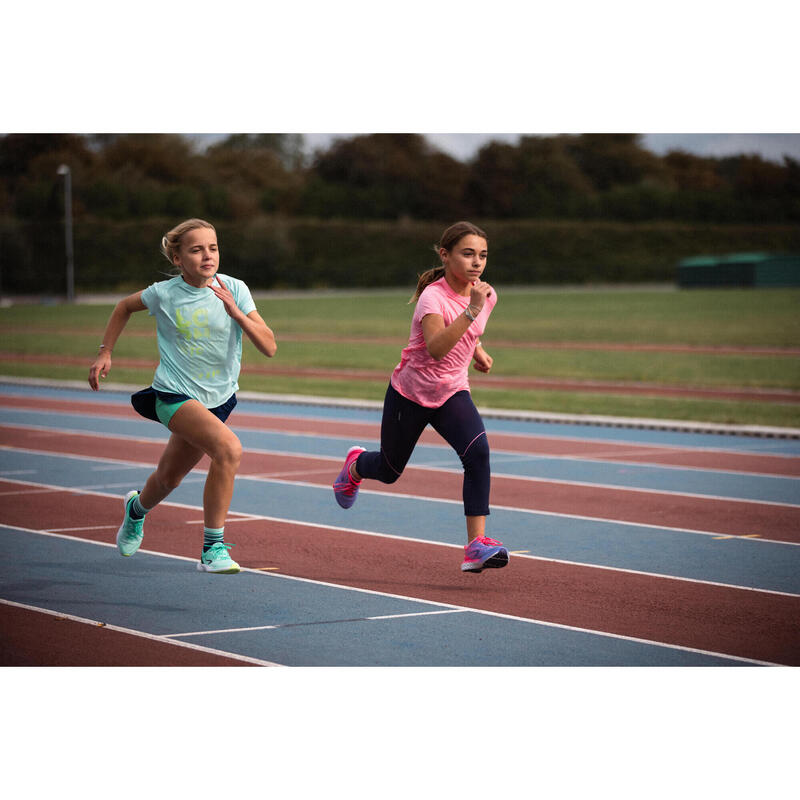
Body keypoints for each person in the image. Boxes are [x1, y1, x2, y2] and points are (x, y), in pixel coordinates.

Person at [88, 218, 277, 574]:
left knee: (167, 479)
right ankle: (212, 548)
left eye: (213, 247)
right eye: (196, 249)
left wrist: (236, 313)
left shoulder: (234, 288)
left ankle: (136, 510)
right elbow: (123, 307)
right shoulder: (163, 293)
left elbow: (268, 346)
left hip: (219, 400)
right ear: (177, 259)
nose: (207, 255)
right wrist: (105, 352)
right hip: (173, 394)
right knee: (229, 449)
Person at [332, 221, 508, 573]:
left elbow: (468, 334)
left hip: (452, 392)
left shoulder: (486, 295)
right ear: (445, 255)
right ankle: (355, 465)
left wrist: (478, 351)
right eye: (468, 254)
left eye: (483, 255)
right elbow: (438, 346)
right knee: (389, 469)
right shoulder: (433, 298)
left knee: (478, 453)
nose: (477, 263)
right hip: (409, 395)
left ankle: (476, 545)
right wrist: (470, 310)